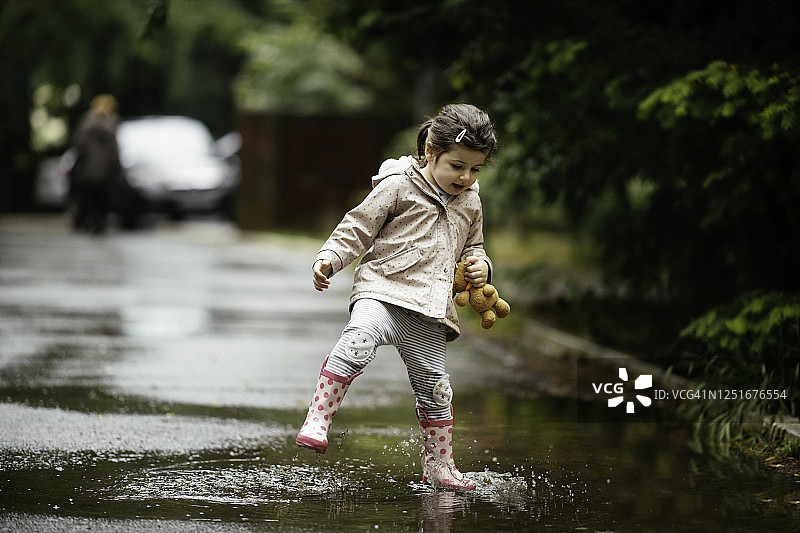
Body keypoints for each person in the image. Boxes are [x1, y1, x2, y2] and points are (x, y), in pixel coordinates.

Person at [295, 103, 500, 490]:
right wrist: (329, 257)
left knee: (437, 389)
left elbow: (475, 246)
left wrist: (480, 266)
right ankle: (318, 418)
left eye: (475, 169)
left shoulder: (471, 201)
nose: (466, 177)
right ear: (430, 153)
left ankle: (439, 466)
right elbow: (357, 227)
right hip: (383, 289)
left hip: (429, 309)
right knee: (357, 340)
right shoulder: (398, 186)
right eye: (457, 166)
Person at [69, 94, 121, 234]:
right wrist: (117, 167)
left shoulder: (87, 121)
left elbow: (79, 146)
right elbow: (115, 150)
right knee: (102, 198)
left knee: (86, 197)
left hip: (88, 170)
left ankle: (87, 219)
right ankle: (100, 222)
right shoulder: (112, 122)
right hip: (105, 172)